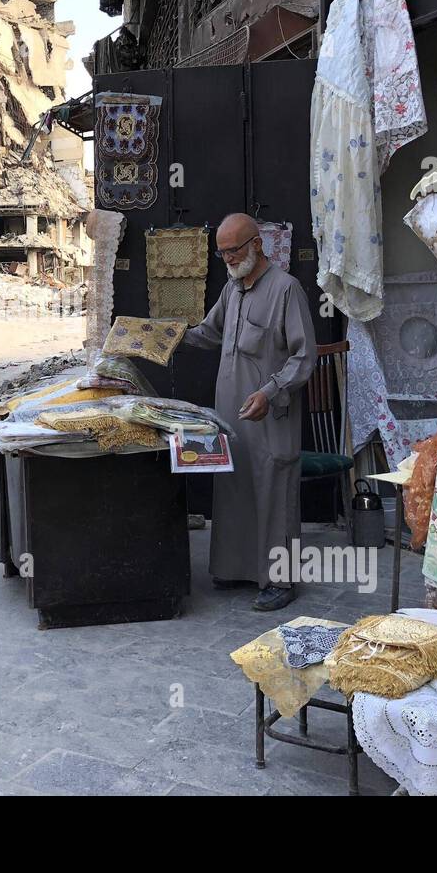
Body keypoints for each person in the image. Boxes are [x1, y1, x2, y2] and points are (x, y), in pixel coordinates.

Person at [180, 213, 317, 611]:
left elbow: (303, 357)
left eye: (233, 250)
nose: (226, 259)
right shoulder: (233, 289)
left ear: (257, 244)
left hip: (269, 414)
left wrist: (270, 392)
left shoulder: (286, 290)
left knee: (273, 492)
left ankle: (280, 581)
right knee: (235, 488)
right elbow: (208, 333)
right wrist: (166, 338)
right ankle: (236, 568)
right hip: (232, 414)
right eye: (221, 253)